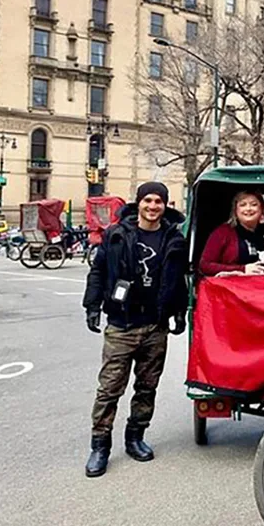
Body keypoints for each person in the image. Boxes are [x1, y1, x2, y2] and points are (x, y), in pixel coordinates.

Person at [82, 181, 188, 478]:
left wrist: (179, 312)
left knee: (147, 387)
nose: (153, 207)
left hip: (155, 325)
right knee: (110, 388)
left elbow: (179, 278)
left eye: (159, 202)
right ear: (138, 203)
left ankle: (135, 437)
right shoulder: (117, 234)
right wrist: (92, 306)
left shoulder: (173, 238)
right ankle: (100, 446)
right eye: (148, 200)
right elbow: (99, 271)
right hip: (122, 323)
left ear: (166, 205)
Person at [199, 190, 264, 276]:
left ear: (262, 209)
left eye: (254, 204)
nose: (248, 208)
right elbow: (205, 265)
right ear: (235, 211)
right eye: (243, 205)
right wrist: (243, 269)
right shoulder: (222, 233)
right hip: (234, 286)